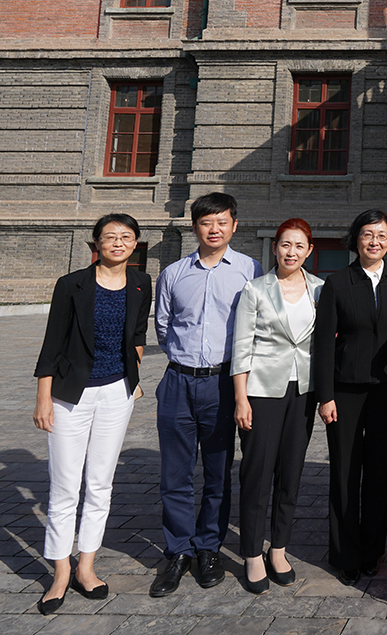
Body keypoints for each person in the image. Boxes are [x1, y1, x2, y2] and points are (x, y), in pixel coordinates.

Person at [31, 214, 153, 615]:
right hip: (71, 395)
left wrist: (134, 378)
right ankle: (60, 572)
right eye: (110, 236)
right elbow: (52, 343)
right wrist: (43, 398)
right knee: (65, 487)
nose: (118, 243)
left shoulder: (141, 282)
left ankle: (86, 566)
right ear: (96, 243)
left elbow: (138, 335)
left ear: (135, 243)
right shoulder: (72, 285)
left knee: (100, 484)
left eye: (126, 237)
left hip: (117, 394)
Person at [150, 192, 262, 597]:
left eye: (222, 222)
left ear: (234, 225)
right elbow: (164, 327)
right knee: (174, 475)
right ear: (195, 226)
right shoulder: (174, 273)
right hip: (178, 382)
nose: (214, 229)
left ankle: (208, 546)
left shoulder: (249, 270)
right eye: (206, 222)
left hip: (223, 384)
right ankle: (178, 550)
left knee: (217, 472)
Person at [314, 209, 387, 584]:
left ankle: (373, 549)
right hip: (345, 391)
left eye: (382, 236)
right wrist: (325, 396)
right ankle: (345, 553)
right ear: (356, 239)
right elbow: (323, 343)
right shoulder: (338, 283)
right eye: (368, 234)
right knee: (344, 471)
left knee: (376, 472)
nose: (375, 242)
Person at [231, 218, 325, 594]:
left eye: (299, 246)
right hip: (261, 392)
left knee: (290, 471)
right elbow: (241, 346)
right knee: (257, 472)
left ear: (309, 250)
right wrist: (241, 398)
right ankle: (252, 552)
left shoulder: (320, 289)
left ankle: (279, 548)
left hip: (303, 391)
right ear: (275, 247)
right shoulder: (255, 289)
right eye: (285, 244)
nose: (291, 252)